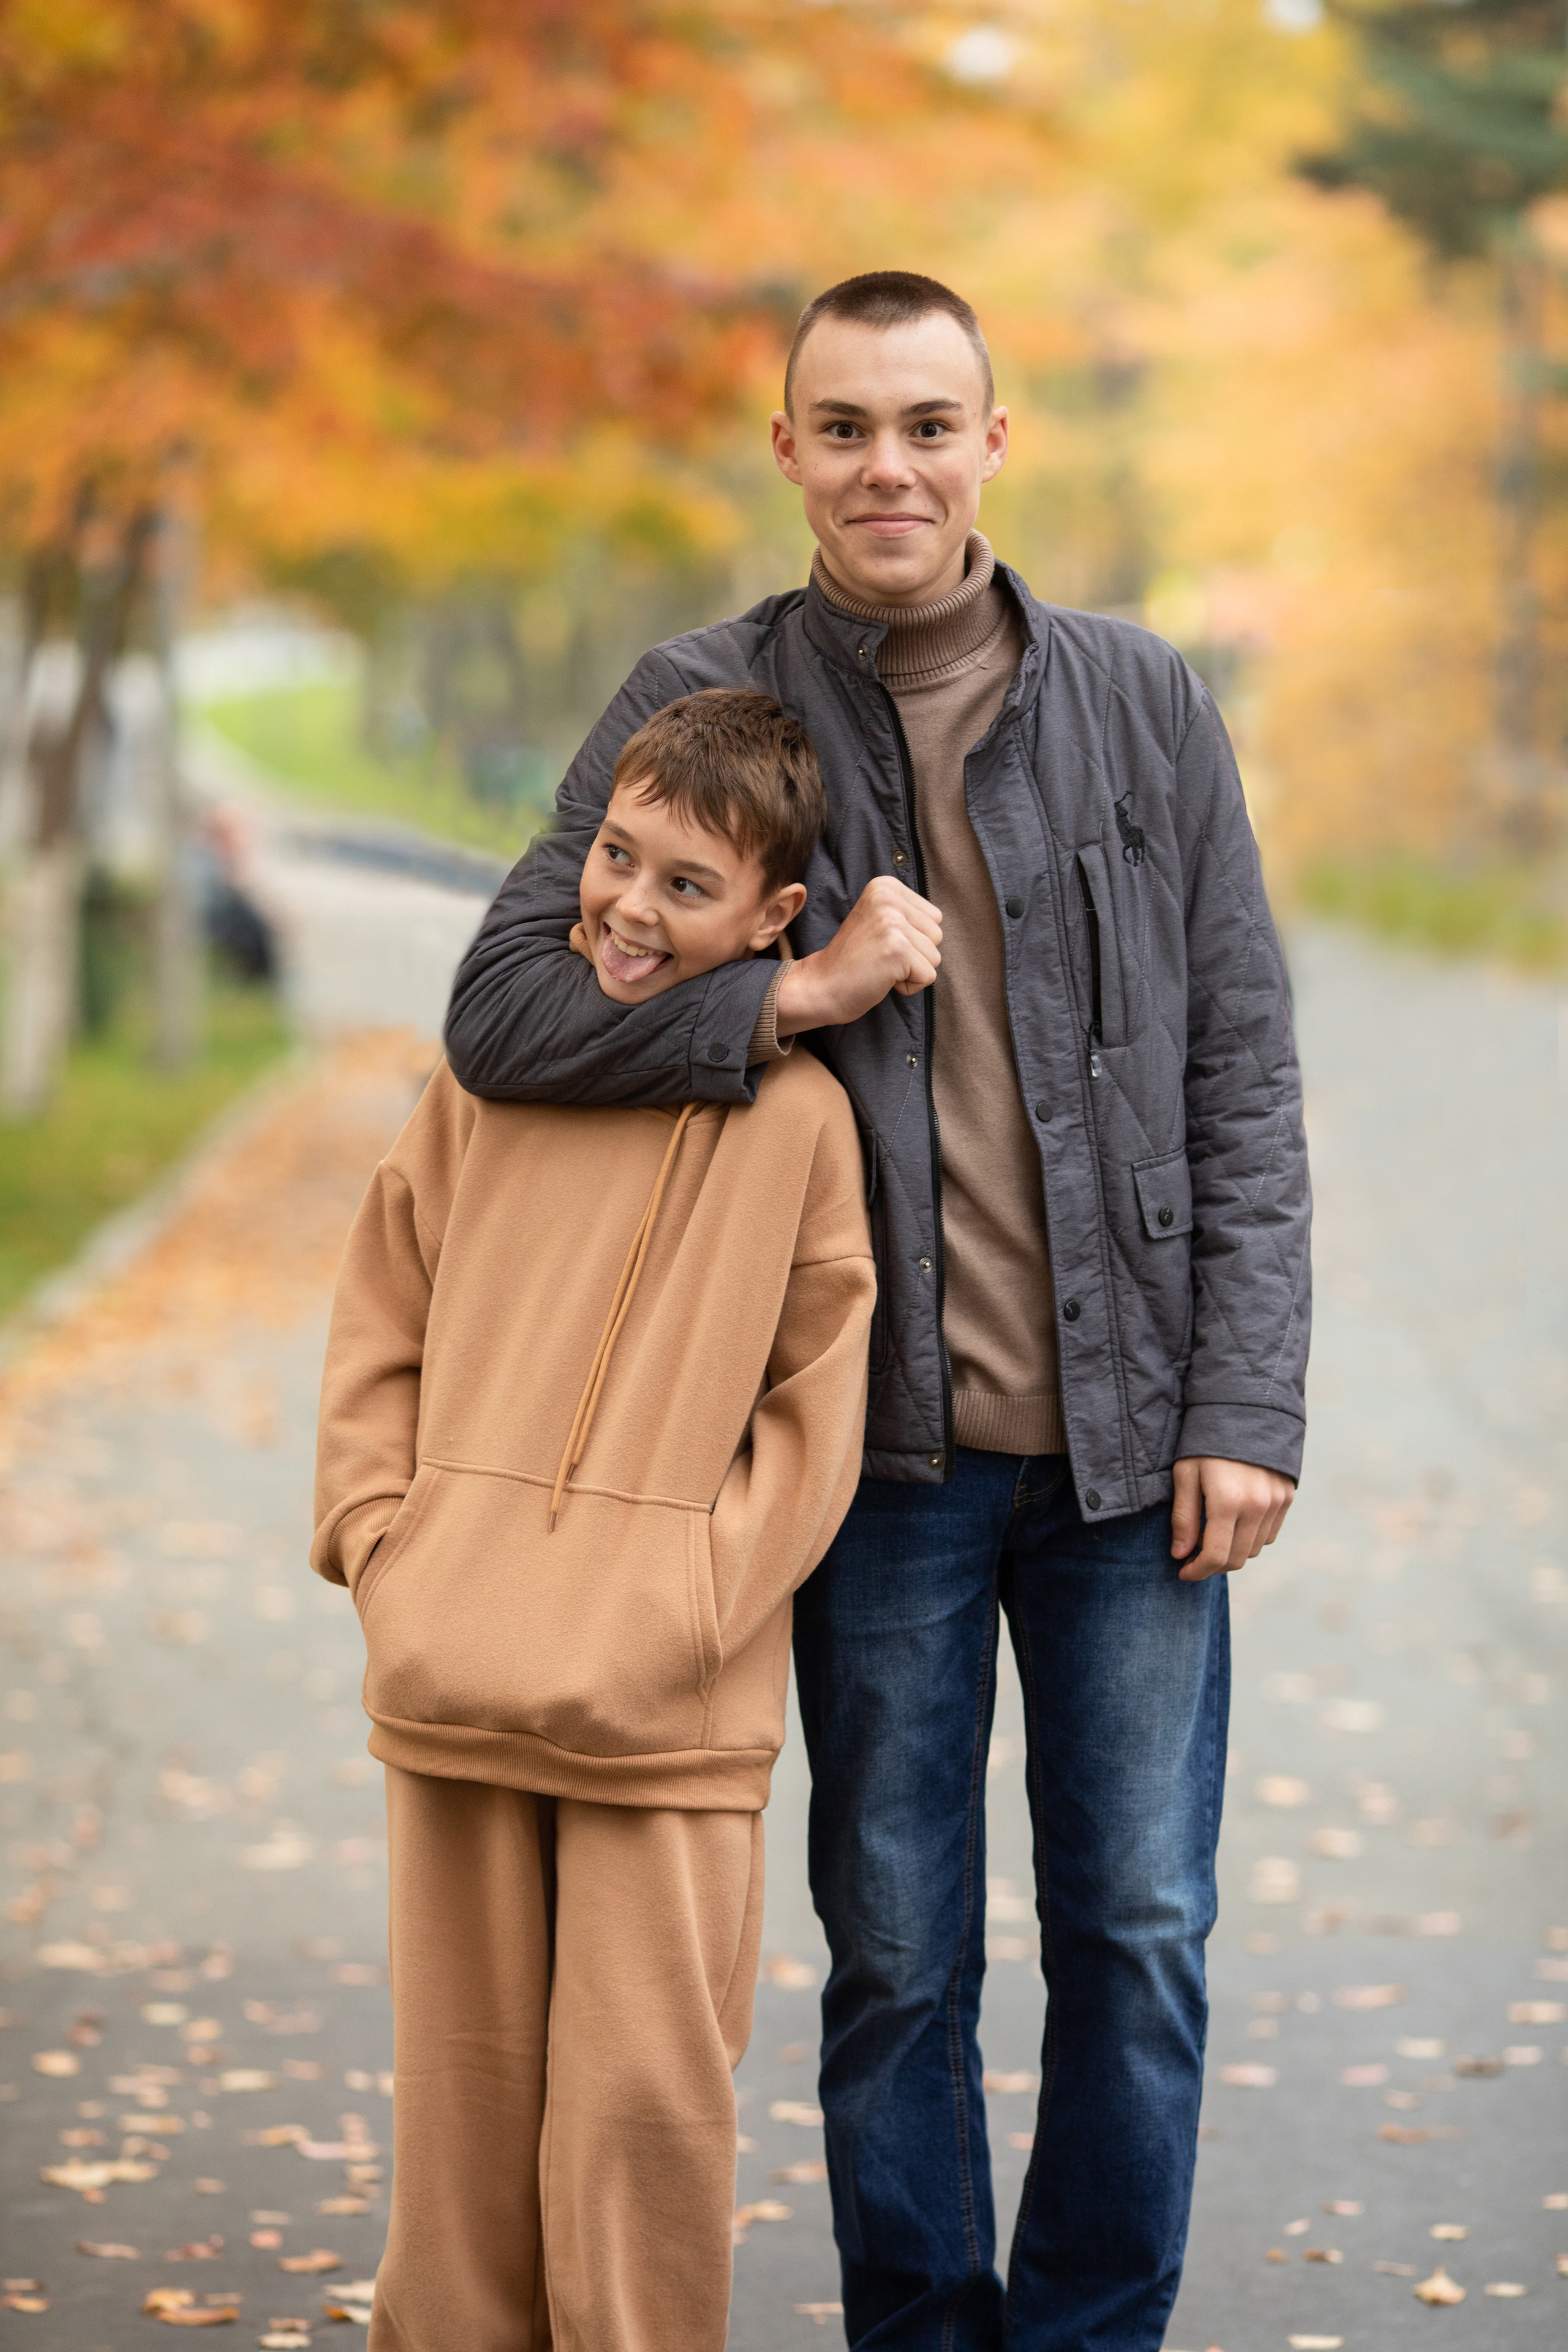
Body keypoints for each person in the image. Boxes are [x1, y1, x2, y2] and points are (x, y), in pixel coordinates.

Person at [443, 272, 1312, 2352]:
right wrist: (791, 995)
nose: (888, 467)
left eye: (929, 424)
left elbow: (1245, 1068)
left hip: (1131, 1459)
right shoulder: (704, 699)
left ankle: (1092, 2335)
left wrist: (1249, 1400)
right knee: (897, 1956)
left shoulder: (1143, 699)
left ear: (997, 444)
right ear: (788, 454)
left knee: (1139, 1934)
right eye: (845, 428)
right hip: (875, 1463)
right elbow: (504, 1007)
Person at [311, 688, 875, 2352]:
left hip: (663, 1712)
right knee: (464, 2116)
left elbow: (814, 1404)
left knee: (642, 2117)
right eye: (616, 859)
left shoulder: (804, 1123)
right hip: (454, 1675)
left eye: (687, 886)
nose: (629, 905)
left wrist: (692, 1603)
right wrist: (378, 1537)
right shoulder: (491, 1081)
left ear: (779, 921)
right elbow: (381, 1310)